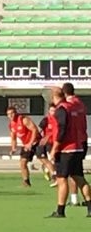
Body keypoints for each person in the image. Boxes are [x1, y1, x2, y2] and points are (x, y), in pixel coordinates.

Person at [46, 88, 91, 218]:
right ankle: (90, 208)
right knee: (79, 178)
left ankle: (60, 211)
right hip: (77, 147)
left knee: (62, 179)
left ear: (54, 96)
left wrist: (55, 148)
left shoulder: (62, 109)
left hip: (66, 149)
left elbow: (62, 129)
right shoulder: (72, 106)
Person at [6, 106, 47, 187]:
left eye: (12, 113)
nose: (10, 116)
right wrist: (13, 148)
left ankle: (55, 177)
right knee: (22, 163)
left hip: (37, 142)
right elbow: (13, 138)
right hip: (27, 145)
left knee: (43, 160)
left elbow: (34, 130)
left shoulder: (23, 120)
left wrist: (31, 143)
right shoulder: (11, 125)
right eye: (8, 114)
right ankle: (26, 182)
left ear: (16, 113)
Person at [62, 82, 88, 206]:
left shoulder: (69, 105)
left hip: (72, 143)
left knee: (66, 176)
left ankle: (71, 201)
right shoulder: (80, 103)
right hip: (82, 141)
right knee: (76, 174)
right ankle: (76, 200)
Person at [38, 104, 58, 187]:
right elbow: (40, 130)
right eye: (51, 110)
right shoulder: (46, 120)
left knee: (54, 160)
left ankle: (48, 170)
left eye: (54, 111)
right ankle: (53, 175)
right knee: (42, 157)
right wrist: (41, 139)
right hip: (48, 143)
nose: (53, 112)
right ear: (49, 111)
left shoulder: (59, 120)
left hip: (56, 142)